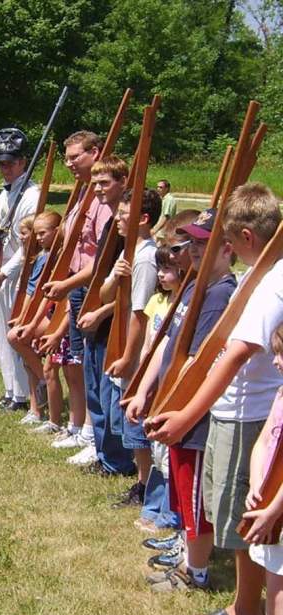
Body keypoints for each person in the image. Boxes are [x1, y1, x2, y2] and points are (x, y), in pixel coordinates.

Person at [147, 184, 283, 615]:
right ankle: (245, 606)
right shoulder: (259, 277)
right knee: (235, 517)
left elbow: (235, 354)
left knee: (246, 520)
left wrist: (186, 414)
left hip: (247, 413)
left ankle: (247, 612)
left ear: (245, 236)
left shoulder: (271, 284)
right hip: (236, 412)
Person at [130, 208, 236, 591]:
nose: (192, 249)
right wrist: (145, 390)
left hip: (191, 410)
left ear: (226, 249)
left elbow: (198, 358)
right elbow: (168, 345)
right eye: (191, 241)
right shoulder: (194, 286)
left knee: (194, 496)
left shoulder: (221, 294)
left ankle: (197, 571)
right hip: (170, 400)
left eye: (202, 243)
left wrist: (172, 405)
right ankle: (185, 548)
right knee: (178, 483)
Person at [20, 131, 108, 445]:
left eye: (75, 157)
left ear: (95, 152)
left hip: (91, 289)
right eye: (66, 158)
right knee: (75, 365)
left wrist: (68, 284)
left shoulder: (102, 201)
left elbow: (100, 257)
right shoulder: (84, 194)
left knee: (85, 365)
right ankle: (80, 428)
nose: (69, 164)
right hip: (74, 288)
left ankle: (90, 433)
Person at [100, 188, 161, 504]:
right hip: (120, 343)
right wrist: (115, 278)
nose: (117, 219)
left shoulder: (147, 258)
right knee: (123, 420)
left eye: (124, 214)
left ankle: (145, 486)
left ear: (143, 218)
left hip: (135, 352)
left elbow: (140, 313)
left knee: (136, 424)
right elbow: (105, 295)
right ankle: (142, 482)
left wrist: (128, 358)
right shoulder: (129, 253)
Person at [75, 155, 135, 475]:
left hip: (114, 319)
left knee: (111, 392)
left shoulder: (128, 229)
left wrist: (101, 313)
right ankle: (103, 455)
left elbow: (133, 288)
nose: (98, 188)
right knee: (95, 390)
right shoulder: (111, 224)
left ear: (123, 183)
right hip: (97, 316)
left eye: (105, 182)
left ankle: (117, 460)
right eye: (95, 182)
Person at [236, 322, 283, 615]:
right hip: (268, 501)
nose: (277, 362)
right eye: (276, 353)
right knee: (272, 574)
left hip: (278, 507)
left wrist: (273, 509)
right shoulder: (282, 393)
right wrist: (255, 486)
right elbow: (265, 437)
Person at [0, 128, 39, 413]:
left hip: (19, 274)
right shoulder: (5, 195)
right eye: (2, 163)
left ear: (23, 162)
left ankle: (26, 393)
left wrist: (4, 273)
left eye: (11, 162)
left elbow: (28, 248)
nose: (5, 168)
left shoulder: (31, 196)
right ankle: (11, 389)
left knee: (17, 335)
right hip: (1, 273)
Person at [133, 245, 184, 533]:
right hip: (154, 380)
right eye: (160, 269)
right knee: (156, 449)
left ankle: (168, 514)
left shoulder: (184, 305)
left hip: (170, 385)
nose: (161, 275)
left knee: (166, 450)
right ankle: (153, 507)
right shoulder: (159, 301)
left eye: (167, 270)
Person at [7, 211, 60, 426]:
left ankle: (44, 383)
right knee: (27, 359)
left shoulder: (49, 257)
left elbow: (38, 292)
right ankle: (35, 408)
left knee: (15, 337)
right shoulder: (36, 258)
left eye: (37, 233)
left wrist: (27, 321)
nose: (32, 238)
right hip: (35, 314)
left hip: (50, 315)